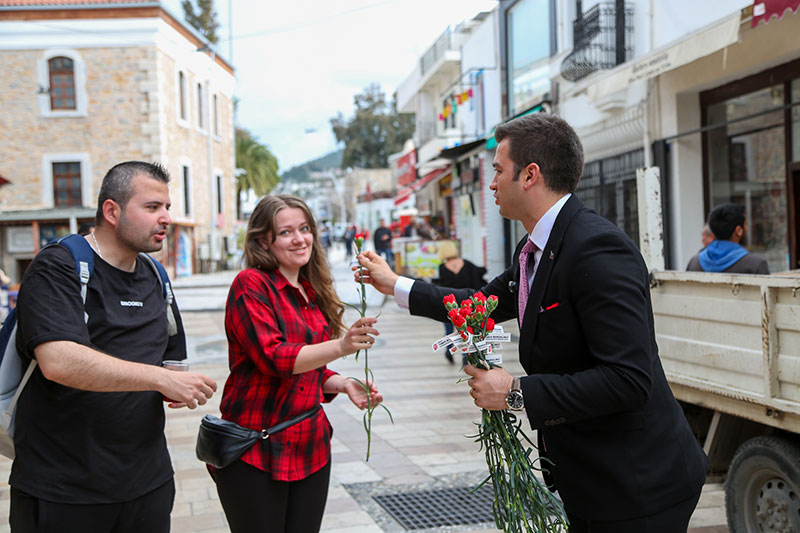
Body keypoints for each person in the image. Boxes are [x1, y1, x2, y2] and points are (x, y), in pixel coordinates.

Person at [357, 113, 708, 532]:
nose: (491, 184)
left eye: (497, 171)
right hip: (594, 479)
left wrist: (515, 392)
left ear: (530, 175)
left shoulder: (597, 249)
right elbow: (477, 304)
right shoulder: (534, 249)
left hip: (638, 485)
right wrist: (395, 284)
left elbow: (628, 380)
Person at [11, 161, 218, 532]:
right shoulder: (58, 266)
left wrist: (176, 382)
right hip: (64, 490)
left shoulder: (156, 275)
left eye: (167, 207)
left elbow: (171, 358)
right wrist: (158, 379)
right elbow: (58, 360)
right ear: (112, 211)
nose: (166, 218)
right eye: (153, 207)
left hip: (147, 483)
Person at [215, 194, 382, 533]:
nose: (300, 239)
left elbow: (309, 370)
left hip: (310, 444)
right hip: (255, 448)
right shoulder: (251, 285)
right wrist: (341, 345)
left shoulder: (312, 288)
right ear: (265, 240)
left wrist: (341, 382)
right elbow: (274, 358)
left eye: (304, 229)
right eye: (286, 232)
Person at [434, 241, 486, 364]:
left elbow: (439, 287)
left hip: (448, 307)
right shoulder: (467, 264)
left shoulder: (442, 268)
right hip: (466, 306)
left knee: (449, 331)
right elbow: (481, 272)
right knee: (466, 330)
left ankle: (448, 351)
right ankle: (464, 355)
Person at [686, 203, 769, 274]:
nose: (747, 229)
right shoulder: (755, 265)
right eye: (746, 225)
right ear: (738, 231)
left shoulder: (694, 262)